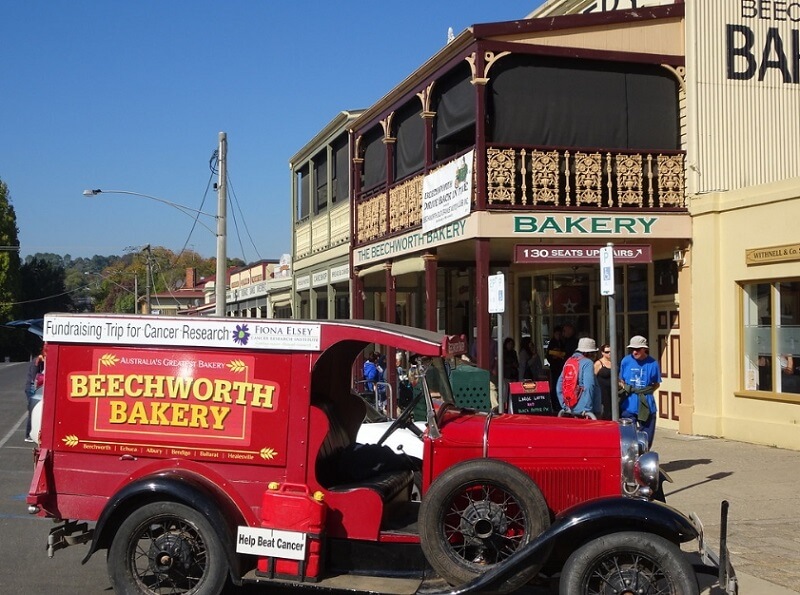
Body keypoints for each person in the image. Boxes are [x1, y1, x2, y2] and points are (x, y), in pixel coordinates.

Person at [619, 335, 661, 447]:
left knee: (646, 438)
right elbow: (621, 380)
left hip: (647, 405)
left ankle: (643, 455)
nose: (634, 352)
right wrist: (628, 389)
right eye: (632, 349)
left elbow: (656, 383)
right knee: (628, 439)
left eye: (637, 349)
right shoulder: (626, 361)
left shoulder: (653, 363)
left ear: (644, 349)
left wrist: (645, 392)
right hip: (628, 405)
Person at [556, 337, 601, 416]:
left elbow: (559, 386)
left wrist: (564, 406)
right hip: (585, 411)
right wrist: (587, 409)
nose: (595, 355)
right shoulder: (588, 363)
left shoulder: (569, 361)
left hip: (570, 407)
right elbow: (589, 386)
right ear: (587, 353)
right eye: (594, 353)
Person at [24, 345, 45, 443]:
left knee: (35, 410)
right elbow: (34, 378)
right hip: (31, 389)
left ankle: (32, 432)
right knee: (32, 410)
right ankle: (28, 434)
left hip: (35, 388)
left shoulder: (41, 362)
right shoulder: (36, 362)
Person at [546, 326, 566, 411]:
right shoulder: (552, 343)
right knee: (555, 385)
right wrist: (553, 358)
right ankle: (554, 404)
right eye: (557, 334)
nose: (558, 335)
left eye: (559, 334)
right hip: (555, 368)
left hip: (561, 367)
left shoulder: (562, 342)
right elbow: (548, 355)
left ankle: (560, 404)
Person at [594, 343, 613, 420]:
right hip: (602, 393)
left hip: (612, 393)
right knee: (605, 413)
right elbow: (593, 378)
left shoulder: (614, 362)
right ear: (602, 353)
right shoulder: (598, 363)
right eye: (607, 352)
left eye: (611, 351)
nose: (609, 354)